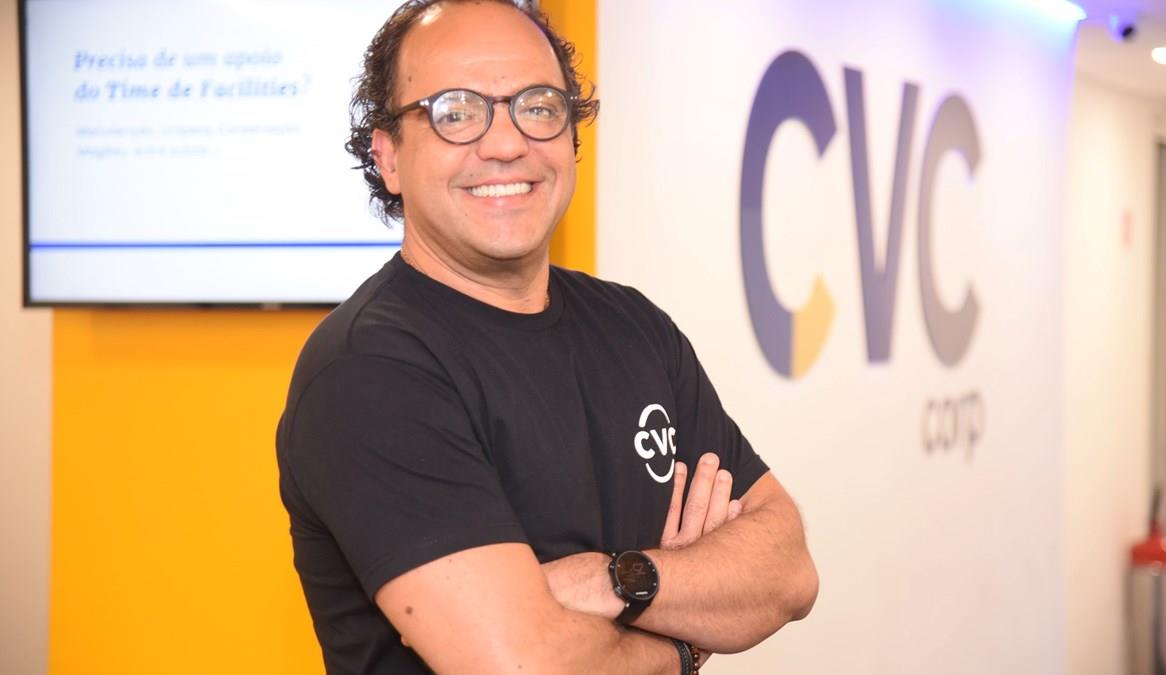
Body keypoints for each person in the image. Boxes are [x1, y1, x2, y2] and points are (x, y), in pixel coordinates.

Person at [275, 1, 819, 673]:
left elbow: (787, 569)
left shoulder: (634, 328)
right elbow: (525, 666)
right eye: (455, 112)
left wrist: (610, 579)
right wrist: (684, 638)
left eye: (537, 107)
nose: (506, 144)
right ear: (387, 157)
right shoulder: (370, 372)